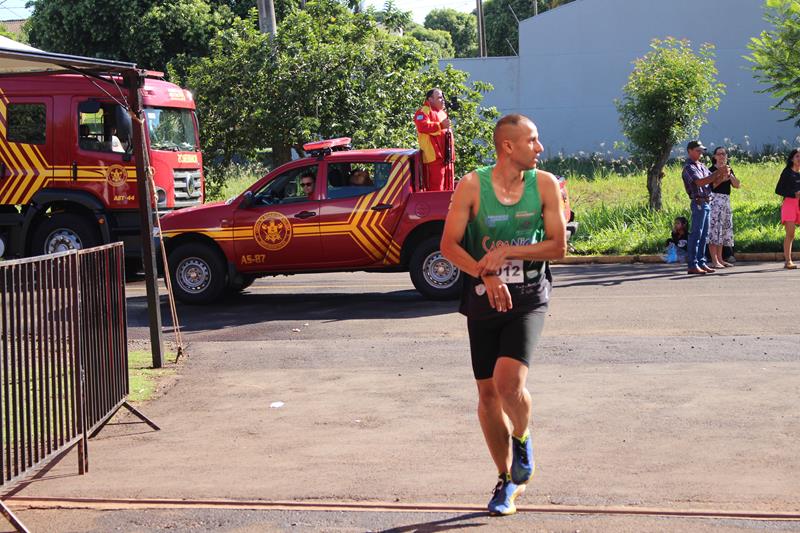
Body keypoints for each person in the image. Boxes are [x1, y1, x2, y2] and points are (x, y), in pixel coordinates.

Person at [440, 114, 566, 517]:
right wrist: (485, 271)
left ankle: (523, 438)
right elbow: (448, 245)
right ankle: (506, 479)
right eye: (533, 140)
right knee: (487, 394)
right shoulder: (472, 186)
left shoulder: (544, 184)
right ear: (508, 146)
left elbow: (557, 248)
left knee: (508, 383)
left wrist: (509, 252)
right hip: (482, 297)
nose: (540, 147)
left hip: (528, 296)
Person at [681, 140, 729, 275]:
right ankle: (693, 264)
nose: (700, 153)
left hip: (707, 202)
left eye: (701, 150)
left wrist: (722, 176)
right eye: (698, 150)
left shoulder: (701, 166)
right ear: (689, 151)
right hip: (698, 203)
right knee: (696, 234)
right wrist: (718, 172)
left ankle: (701, 262)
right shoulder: (689, 168)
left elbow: (711, 184)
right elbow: (700, 182)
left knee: (704, 236)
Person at [413, 88, 455, 191]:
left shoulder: (442, 113)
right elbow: (422, 127)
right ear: (430, 99)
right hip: (434, 158)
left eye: (443, 97)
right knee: (436, 189)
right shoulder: (423, 111)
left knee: (449, 187)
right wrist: (440, 125)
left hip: (447, 157)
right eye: (440, 97)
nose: (443, 100)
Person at [707, 147, 740, 268]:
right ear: (714, 156)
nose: (722, 156)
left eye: (724, 154)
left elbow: (737, 185)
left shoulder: (729, 169)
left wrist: (729, 175)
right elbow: (711, 187)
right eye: (719, 154)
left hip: (726, 201)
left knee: (723, 231)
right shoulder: (710, 170)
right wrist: (721, 178)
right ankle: (714, 260)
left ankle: (721, 259)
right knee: (714, 230)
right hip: (714, 200)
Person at [775, 148, 800, 269]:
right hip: (789, 204)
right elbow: (778, 190)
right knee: (790, 234)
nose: (799, 159)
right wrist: (793, 194)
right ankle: (788, 261)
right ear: (792, 159)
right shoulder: (787, 172)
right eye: (797, 156)